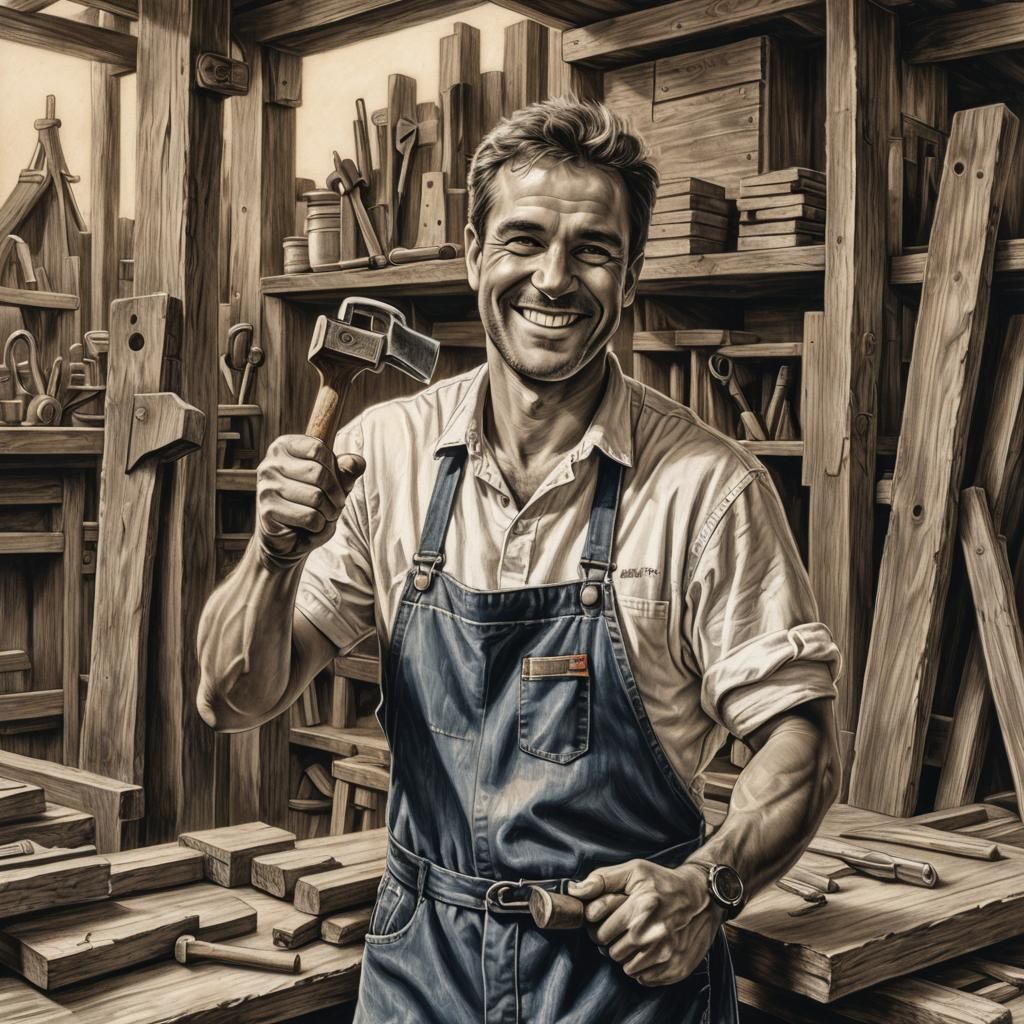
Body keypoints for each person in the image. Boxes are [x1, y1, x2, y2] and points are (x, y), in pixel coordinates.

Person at [197, 97, 841, 1023]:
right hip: (422, 970)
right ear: (472, 253)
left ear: (630, 272)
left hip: (621, 983)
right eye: (524, 240)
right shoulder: (385, 455)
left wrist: (707, 888)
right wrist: (268, 558)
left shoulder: (708, 489)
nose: (553, 278)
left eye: (592, 249)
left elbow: (802, 743)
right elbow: (232, 698)